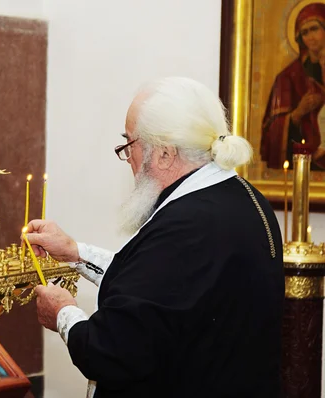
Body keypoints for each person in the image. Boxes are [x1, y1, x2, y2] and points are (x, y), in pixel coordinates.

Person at [26, 77, 284, 397]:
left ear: (163, 154)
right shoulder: (240, 198)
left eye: (129, 144)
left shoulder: (187, 227)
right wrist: (76, 253)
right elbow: (160, 290)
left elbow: (109, 352)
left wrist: (63, 312)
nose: (128, 159)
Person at [261, 2, 325, 170]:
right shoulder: (288, 77)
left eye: (315, 29)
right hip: (307, 165)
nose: (310, 37)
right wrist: (298, 113)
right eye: (305, 32)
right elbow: (270, 133)